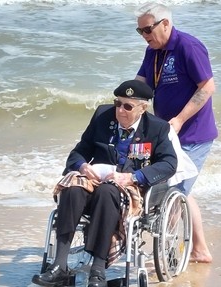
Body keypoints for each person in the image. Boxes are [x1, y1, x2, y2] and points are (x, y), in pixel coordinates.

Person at [31, 80, 178, 287]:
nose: (120, 110)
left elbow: (169, 163)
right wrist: (82, 167)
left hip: (128, 188)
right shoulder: (102, 117)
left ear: (143, 108)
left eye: (128, 106)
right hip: (95, 182)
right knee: (72, 189)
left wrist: (133, 177)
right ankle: (60, 266)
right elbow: (78, 152)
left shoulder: (157, 128)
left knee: (107, 192)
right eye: (118, 103)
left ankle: (98, 269)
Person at [133, 2, 216, 263]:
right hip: (167, 133)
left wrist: (179, 120)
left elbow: (207, 87)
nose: (145, 35)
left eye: (148, 29)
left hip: (193, 134)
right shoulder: (153, 51)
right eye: (140, 31)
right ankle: (200, 249)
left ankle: (166, 251)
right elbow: (141, 84)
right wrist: (125, 105)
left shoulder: (188, 46)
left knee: (175, 189)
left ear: (165, 24)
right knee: (183, 190)